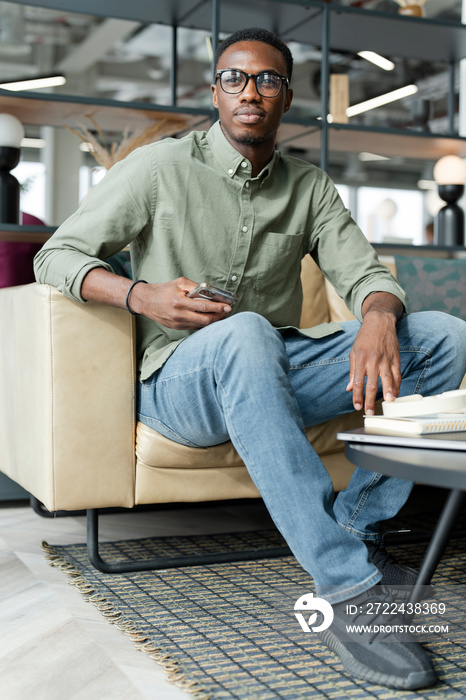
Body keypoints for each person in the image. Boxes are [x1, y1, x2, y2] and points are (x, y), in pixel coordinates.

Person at [34, 27, 466, 690]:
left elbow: (365, 271)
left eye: (266, 80)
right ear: (215, 92)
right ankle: (347, 588)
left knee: (445, 336)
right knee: (247, 334)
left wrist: (379, 312)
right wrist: (142, 294)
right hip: (178, 381)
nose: (250, 92)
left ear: (286, 97)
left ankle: (361, 527)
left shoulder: (309, 186)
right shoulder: (158, 170)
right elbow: (55, 255)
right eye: (235, 78)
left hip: (274, 363)